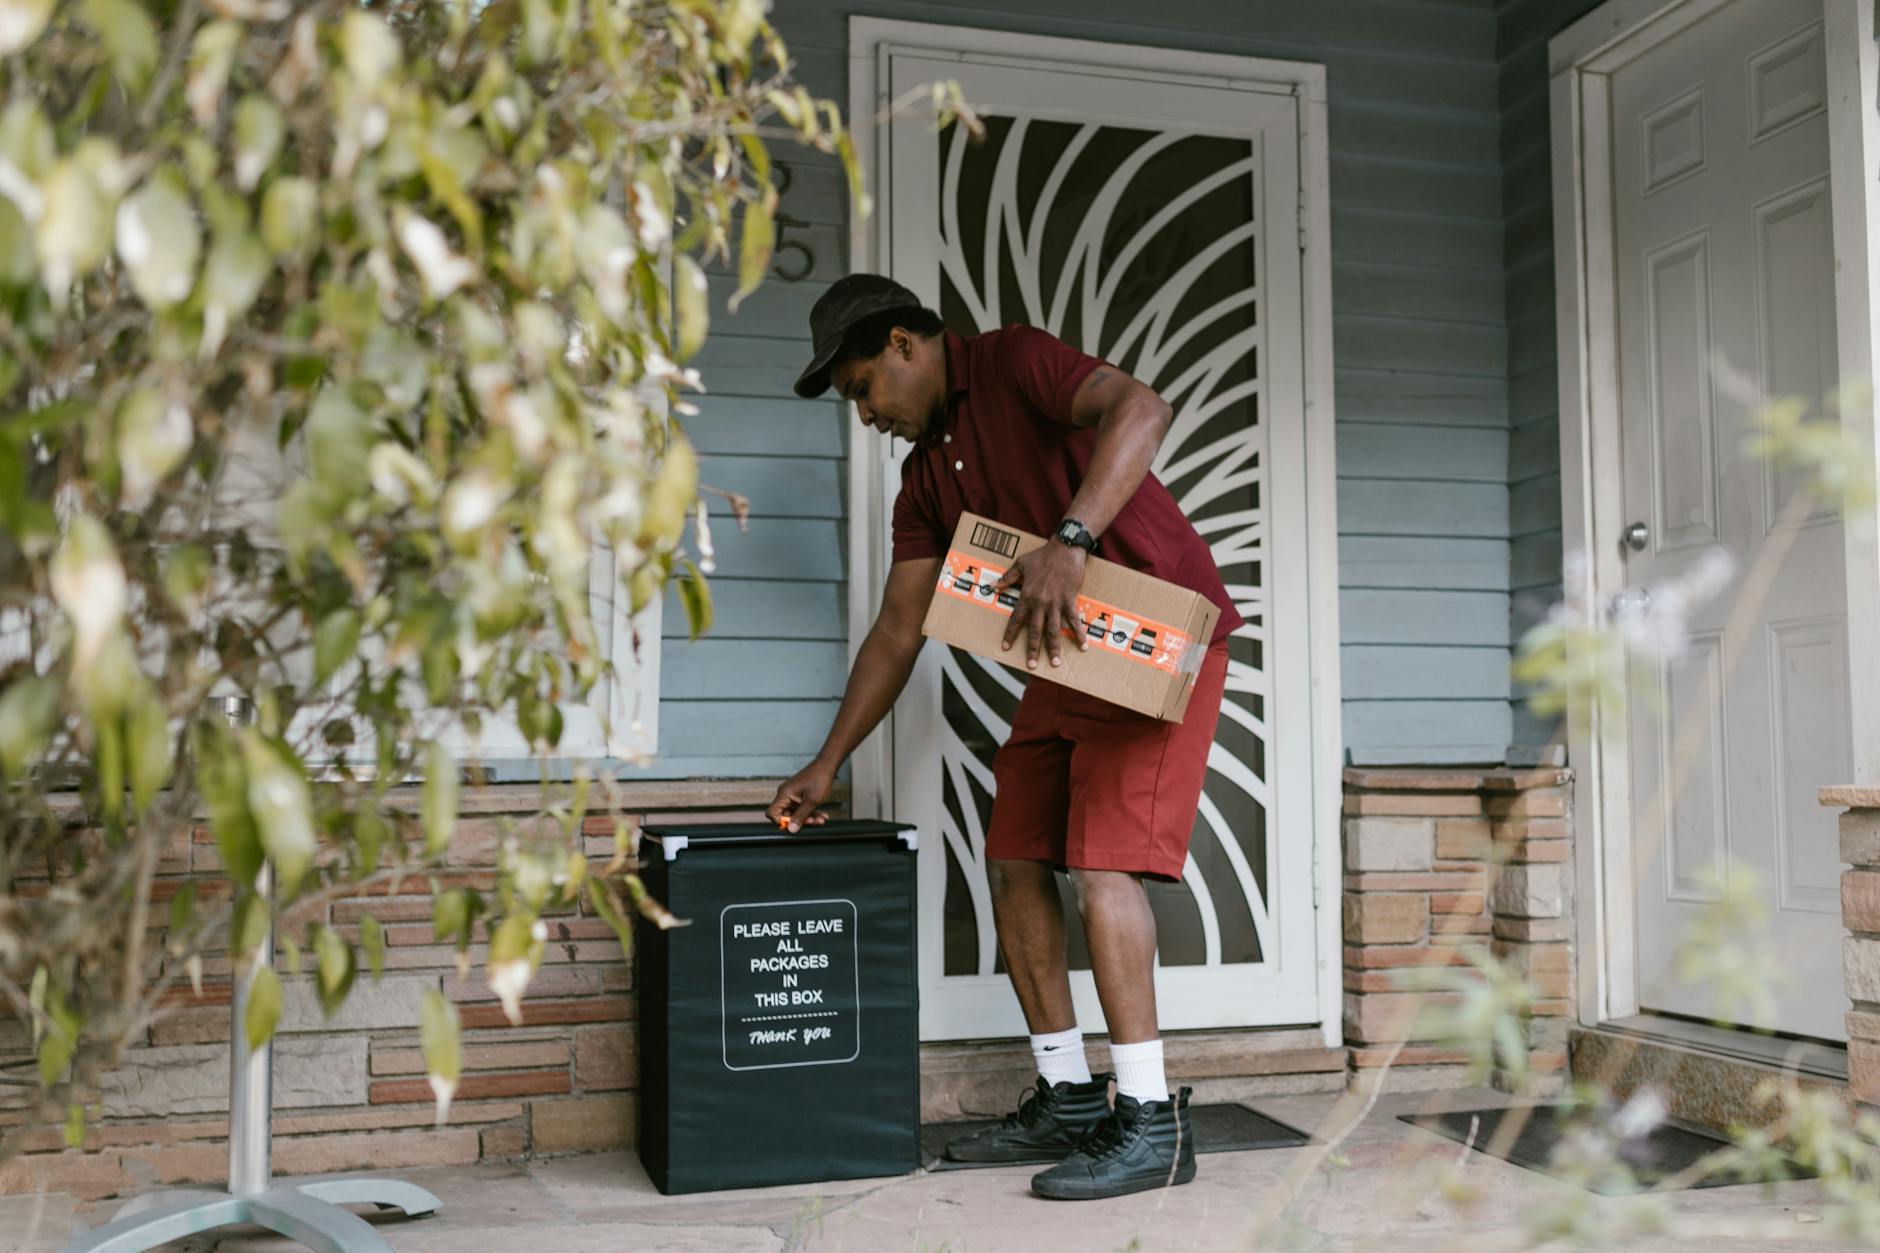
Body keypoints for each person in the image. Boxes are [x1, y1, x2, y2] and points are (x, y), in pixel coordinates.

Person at [765, 273, 1242, 1201]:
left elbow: (1142, 407)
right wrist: (828, 763)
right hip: (1066, 659)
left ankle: (1149, 1121)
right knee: (1015, 854)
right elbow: (899, 629)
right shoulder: (920, 483)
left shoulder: (1014, 359)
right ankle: (1068, 1093)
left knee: (1102, 867)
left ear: (906, 345)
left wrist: (1070, 536)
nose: (864, 414)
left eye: (863, 387)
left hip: (1159, 645)